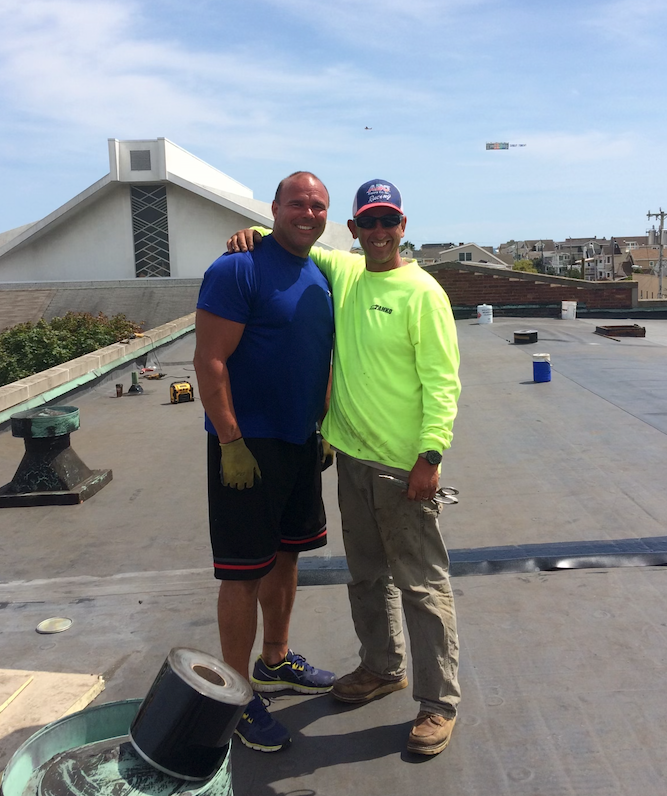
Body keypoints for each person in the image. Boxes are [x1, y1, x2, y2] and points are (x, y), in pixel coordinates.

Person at [228, 179, 462, 756]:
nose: (380, 232)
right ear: (353, 230)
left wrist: (430, 456)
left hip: (403, 468)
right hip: (351, 460)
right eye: (369, 222)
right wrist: (250, 232)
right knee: (366, 577)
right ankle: (382, 667)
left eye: (391, 221)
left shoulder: (422, 292)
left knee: (423, 588)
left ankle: (438, 704)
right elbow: (293, 233)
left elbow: (443, 383)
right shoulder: (347, 273)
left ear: (403, 227)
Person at [194, 171, 336, 753]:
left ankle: (275, 659)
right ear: (274, 208)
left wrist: (322, 425)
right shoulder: (236, 268)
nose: (308, 213)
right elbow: (209, 360)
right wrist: (229, 440)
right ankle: (236, 693)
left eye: (318, 205)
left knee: (286, 557)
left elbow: (322, 355)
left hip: (301, 442)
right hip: (247, 448)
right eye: (297, 203)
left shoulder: (323, 273)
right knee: (242, 573)